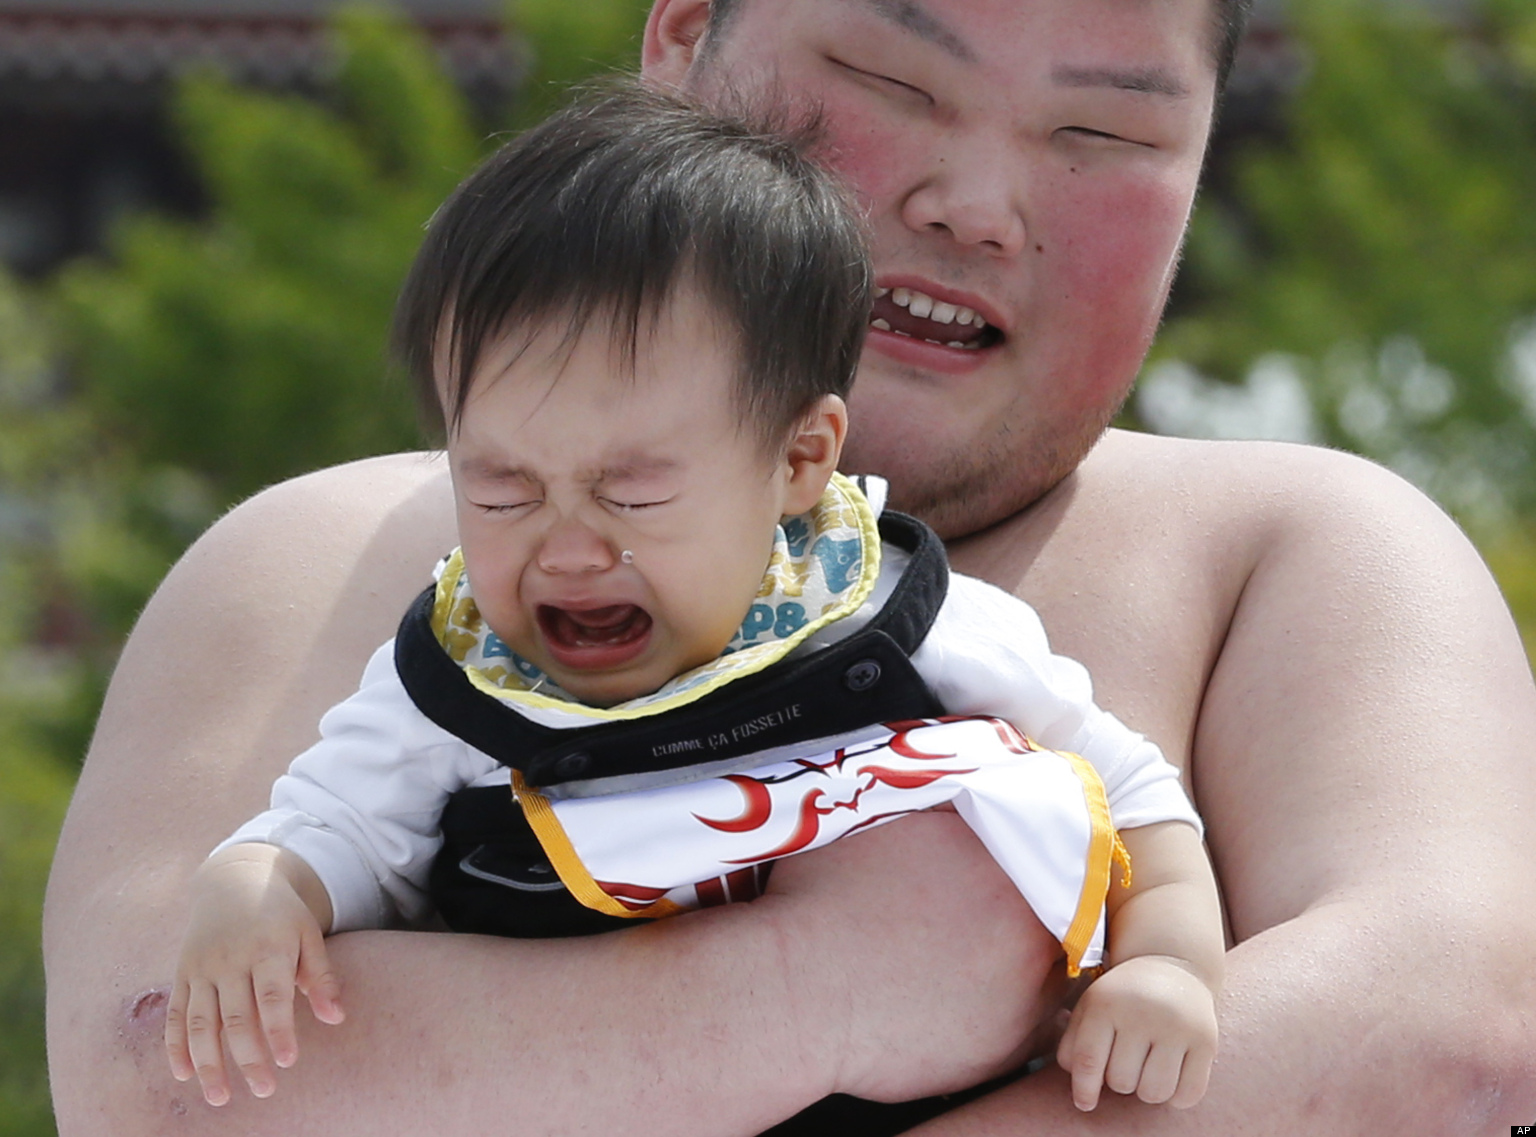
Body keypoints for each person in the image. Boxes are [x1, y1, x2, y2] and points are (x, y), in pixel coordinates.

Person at [44, 0, 1536, 1134]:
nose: (977, 200)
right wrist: (822, 991)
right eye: (894, 83)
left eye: (1104, 137)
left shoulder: (1297, 553)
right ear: (682, 44)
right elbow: (162, 1075)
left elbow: (1454, 1032)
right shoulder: (330, 564)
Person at [163, 85, 1219, 1117]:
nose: (568, 548)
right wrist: (261, 887)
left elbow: (1135, 797)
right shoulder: (463, 681)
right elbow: (337, 826)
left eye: (633, 492)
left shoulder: (898, 618)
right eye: (502, 490)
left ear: (800, 460)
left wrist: (1165, 964)